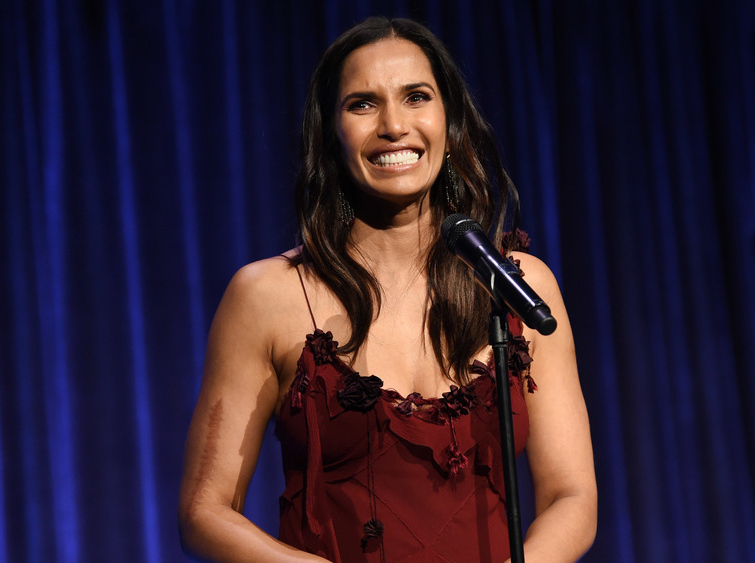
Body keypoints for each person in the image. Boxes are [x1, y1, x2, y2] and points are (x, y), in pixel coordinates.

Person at [178, 16, 596, 562]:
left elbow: (572, 497)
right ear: (331, 134)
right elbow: (204, 512)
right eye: (362, 104)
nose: (394, 125)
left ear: (450, 123)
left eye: (416, 96)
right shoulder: (267, 296)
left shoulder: (516, 283)